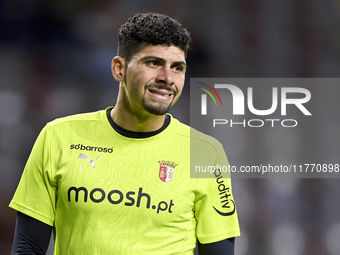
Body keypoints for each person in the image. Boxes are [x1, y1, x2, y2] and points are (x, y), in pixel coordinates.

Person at [9, 12, 240, 254]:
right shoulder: (58, 137)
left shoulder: (205, 153)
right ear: (119, 68)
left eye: (177, 68)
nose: (167, 78)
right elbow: (27, 248)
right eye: (154, 63)